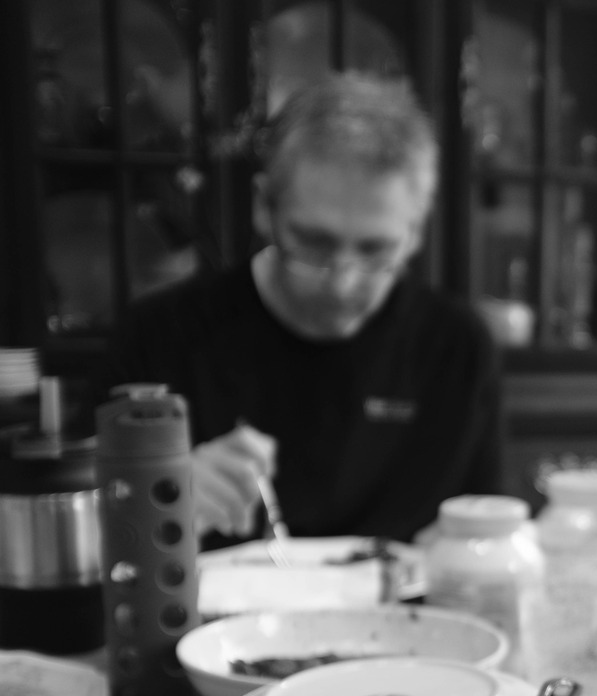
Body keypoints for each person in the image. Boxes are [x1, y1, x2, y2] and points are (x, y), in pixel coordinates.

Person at [103, 72, 501, 544]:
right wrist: (160, 504)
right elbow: (89, 550)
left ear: (415, 235)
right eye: (314, 243)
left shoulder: (456, 347)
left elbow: (488, 532)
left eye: (375, 251)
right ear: (262, 208)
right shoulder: (159, 337)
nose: (342, 282)